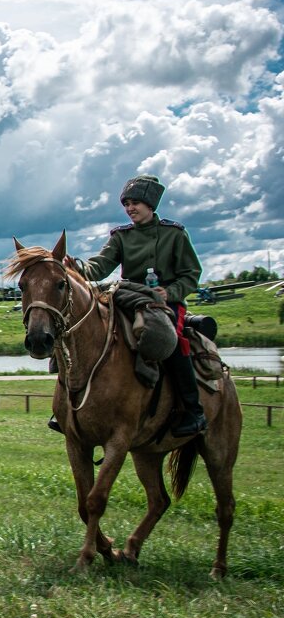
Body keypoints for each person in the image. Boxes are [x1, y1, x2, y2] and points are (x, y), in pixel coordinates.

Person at [59, 174, 207, 437]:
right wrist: (79, 267)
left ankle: (193, 411)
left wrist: (170, 291)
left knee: (171, 339)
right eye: (126, 203)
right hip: (128, 297)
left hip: (165, 303)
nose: (130, 209)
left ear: (151, 204)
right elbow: (100, 266)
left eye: (135, 203)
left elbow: (191, 274)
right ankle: (68, 408)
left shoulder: (175, 234)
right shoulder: (120, 237)